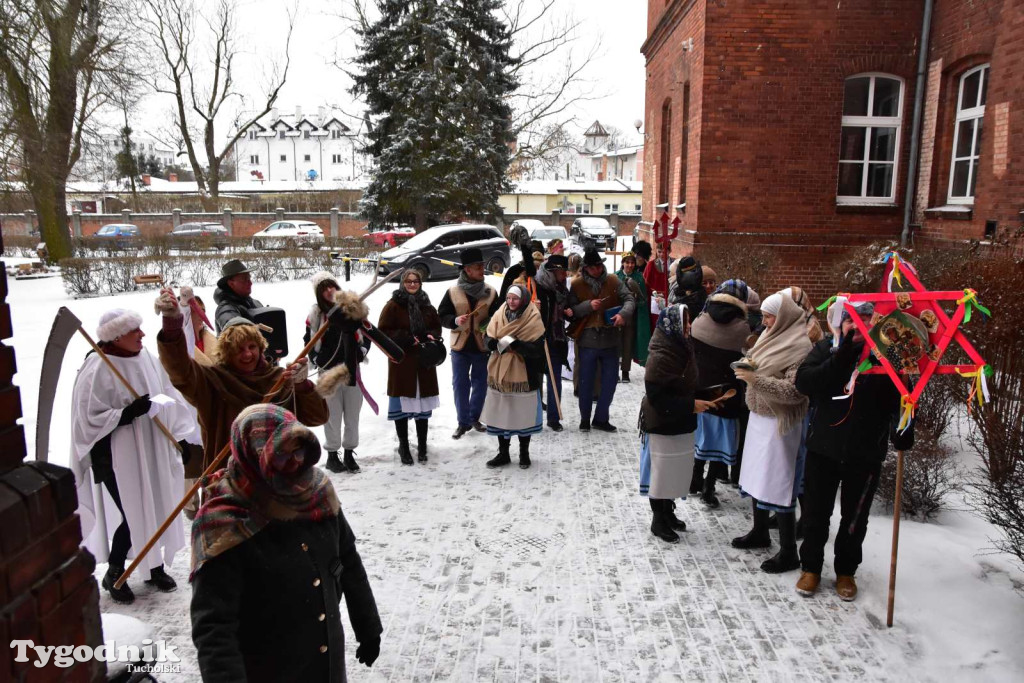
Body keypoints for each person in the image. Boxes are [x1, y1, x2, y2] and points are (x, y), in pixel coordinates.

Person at [190, 404, 382, 683]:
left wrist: (367, 627)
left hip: (327, 667)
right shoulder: (224, 524)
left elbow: (348, 559)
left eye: (299, 451)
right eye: (280, 455)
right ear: (254, 456)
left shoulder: (316, 492)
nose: (295, 462)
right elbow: (214, 629)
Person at [71, 309, 200, 604]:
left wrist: (181, 436)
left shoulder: (146, 358)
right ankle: (115, 573)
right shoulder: (97, 367)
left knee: (154, 507)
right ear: (116, 336)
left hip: (153, 449)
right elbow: (87, 420)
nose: (142, 334)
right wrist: (126, 413)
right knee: (133, 513)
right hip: (116, 459)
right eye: (135, 331)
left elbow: (168, 393)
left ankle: (153, 568)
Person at [794, 301, 914, 601]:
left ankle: (846, 571)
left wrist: (903, 429)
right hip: (824, 448)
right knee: (815, 513)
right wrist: (843, 357)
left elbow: (904, 395)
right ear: (841, 323)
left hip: (865, 453)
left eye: (864, 320)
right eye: (851, 321)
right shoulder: (827, 349)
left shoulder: (888, 356)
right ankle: (810, 567)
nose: (857, 326)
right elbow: (805, 382)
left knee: (854, 518)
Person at [155, 288, 329, 473]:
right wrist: (172, 323)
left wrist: (302, 385)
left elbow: (318, 417)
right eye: (238, 349)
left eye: (252, 346)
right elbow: (180, 370)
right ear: (227, 352)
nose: (247, 354)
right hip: (229, 480)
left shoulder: (279, 379)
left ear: (261, 347)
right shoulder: (212, 381)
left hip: (279, 480)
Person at [731, 292, 813, 574]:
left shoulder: (800, 347)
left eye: (769, 316)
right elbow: (762, 366)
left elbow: (795, 392)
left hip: (781, 424)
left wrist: (756, 380)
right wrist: (749, 368)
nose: (764, 322)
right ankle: (760, 531)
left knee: (779, 484)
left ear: (784, 318)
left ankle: (789, 551)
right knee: (756, 476)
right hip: (759, 419)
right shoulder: (769, 336)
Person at [639, 304, 717, 543]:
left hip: (681, 421)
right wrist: (691, 405)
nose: (688, 327)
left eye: (688, 321)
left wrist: (708, 396)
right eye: (684, 323)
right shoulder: (661, 355)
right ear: (670, 325)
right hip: (662, 421)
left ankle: (668, 511)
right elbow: (657, 396)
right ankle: (657, 519)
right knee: (661, 472)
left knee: (676, 470)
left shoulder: (683, 347)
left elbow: (688, 383)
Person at [690, 280, 751, 509]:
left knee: (700, 434)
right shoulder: (743, 328)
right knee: (719, 439)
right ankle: (709, 485)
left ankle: (695, 478)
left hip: (700, 387)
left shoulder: (701, 318)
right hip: (726, 391)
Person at [305, 272, 372, 473]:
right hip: (328, 372)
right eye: (323, 288)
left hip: (351, 369)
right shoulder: (316, 314)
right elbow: (308, 340)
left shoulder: (351, 308)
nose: (328, 291)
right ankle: (333, 455)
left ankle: (350, 452)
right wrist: (316, 359)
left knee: (352, 414)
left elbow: (367, 333)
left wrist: (361, 351)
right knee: (331, 416)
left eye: (331, 286)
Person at [566, 248, 636, 432]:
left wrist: (623, 314)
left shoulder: (613, 280)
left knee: (610, 382)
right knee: (586, 382)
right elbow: (570, 311)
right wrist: (587, 306)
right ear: (585, 268)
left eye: (599, 265)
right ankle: (584, 419)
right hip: (587, 340)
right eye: (592, 267)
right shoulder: (577, 284)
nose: (597, 270)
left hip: (610, 339)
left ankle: (601, 418)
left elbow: (629, 298)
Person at [377, 270, 443, 465]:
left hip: (424, 361)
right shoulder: (393, 306)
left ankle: (422, 445)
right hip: (403, 361)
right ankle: (404, 446)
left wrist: (431, 335)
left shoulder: (427, 305)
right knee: (402, 406)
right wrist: (406, 338)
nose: (412, 284)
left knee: (422, 406)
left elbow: (436, 326)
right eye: (408, 281)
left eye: (415, 281)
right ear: (403, 283)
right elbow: (383, 331)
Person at [480, 284, 547, 469]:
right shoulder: (500, 313)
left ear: (523, 299)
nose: (511, 302)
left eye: (515, 298)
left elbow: (537, 350)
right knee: (502, 412)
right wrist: (491, 343)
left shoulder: (533, 317)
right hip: (500, 371)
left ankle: (524, 453)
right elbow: (487, 335)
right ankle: (503, 453)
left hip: (524, 373)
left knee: (522, 414)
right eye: (509, 298)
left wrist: (518, 346)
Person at [438, 247, 501, 439]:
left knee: (481, 384)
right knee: (460, 385)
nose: (482, 269)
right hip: (460, 346)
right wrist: (455, 321)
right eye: (478, 266)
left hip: (481, 346)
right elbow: (441, 315)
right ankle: (462, 422)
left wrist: (487, 325)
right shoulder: (452, 291)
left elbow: (497, 317)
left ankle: (475, 417)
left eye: (482, 265)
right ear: (467, 269)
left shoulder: (490, 292)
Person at [534, 254, 570, 431]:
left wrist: (570, 311)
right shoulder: (537, 287)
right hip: (536, 341)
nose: (565, 275)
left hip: (556, 340)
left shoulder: (562, 289)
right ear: (553, 271)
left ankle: (554, 418)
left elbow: (569, 306)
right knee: (535, 381)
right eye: (562, 272)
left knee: (555, 380)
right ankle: (534, 417)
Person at [615, 252, 651, 381]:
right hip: (617, 315)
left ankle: (625, 371)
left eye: (632, 262)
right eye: (627, 262)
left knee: (627, 344)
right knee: (616, 343)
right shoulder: (615, 276)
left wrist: (636, 301)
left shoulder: (639, 278)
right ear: (623, 263)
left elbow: (643, 299)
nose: (630, 265)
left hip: (631, 317)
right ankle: (614, 371)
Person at [214, 259, 265, 333]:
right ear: (231, 284)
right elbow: (234, 331)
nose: (250, 283)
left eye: (249, 278)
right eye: (245, 279)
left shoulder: (256, 303)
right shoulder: (225, 308)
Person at [642, 241, 670, 328]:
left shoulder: (675, 264)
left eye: (664, 252)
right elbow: (645, 283)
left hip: (670, 298)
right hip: (655, 300)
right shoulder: (651, 264)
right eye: (659, 252)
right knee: (656, 324)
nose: (661, 254)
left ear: (670, 251)